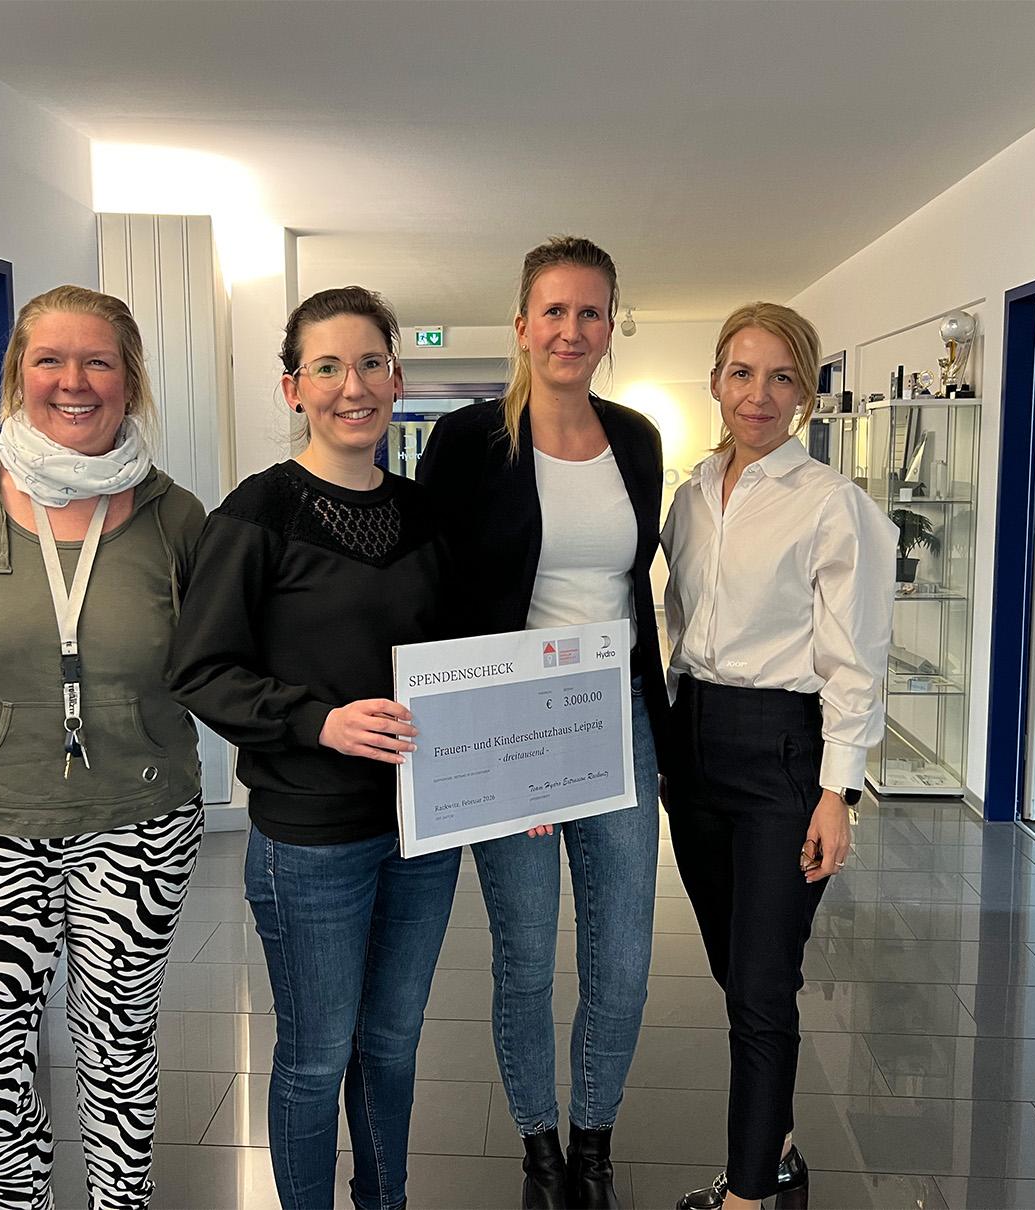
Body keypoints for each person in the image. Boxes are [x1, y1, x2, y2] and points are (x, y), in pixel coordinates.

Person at [0, 285, 207, 1210]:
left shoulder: (175, 515)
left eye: (98, 361)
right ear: (16, 376)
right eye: (50, 361)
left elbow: (208, 660)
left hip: (139, 816)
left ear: (129, 380)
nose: (74, 381)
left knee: (115, 1044)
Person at [166, 286, 460, 1210]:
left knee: (393, 1045)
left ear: (397, 380)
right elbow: (200, 668)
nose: (352, 386)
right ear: (293, 387)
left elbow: (462, 659)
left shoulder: (424, 515)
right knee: (317, 1054)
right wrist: (317, 721)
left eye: (370, 363)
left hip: (423, 829)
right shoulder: (258, 512)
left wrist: (514, 777)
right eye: (326, 367)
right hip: (310, 837)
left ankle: (384, 1202)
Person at [418, 236, 666, 1210]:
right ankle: (539, 1150)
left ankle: (593, 1142)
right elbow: (431, 589)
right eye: (553, 311)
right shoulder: (468, 441)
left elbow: (631, 586)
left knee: (623, 960)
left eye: (589, 311)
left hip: (615, 723)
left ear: (609, 326)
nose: (571, 330)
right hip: (509, 727)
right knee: (524, 955)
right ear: (520, 325)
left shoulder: (636, 439)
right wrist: (472, 746)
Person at [661, 303, 895, 1210]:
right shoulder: (690, 496)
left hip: (782, 758)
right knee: (735, 970)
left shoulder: (832, 505)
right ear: (715, 381)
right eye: (741, 373)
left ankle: (748, 1195)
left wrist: (838, 792)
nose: (757, 395)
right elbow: (676, 624)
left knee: (762, 987)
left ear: (805, 394)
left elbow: (855, 658)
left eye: (781, 377)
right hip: (694, 752)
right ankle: (780, 1145)